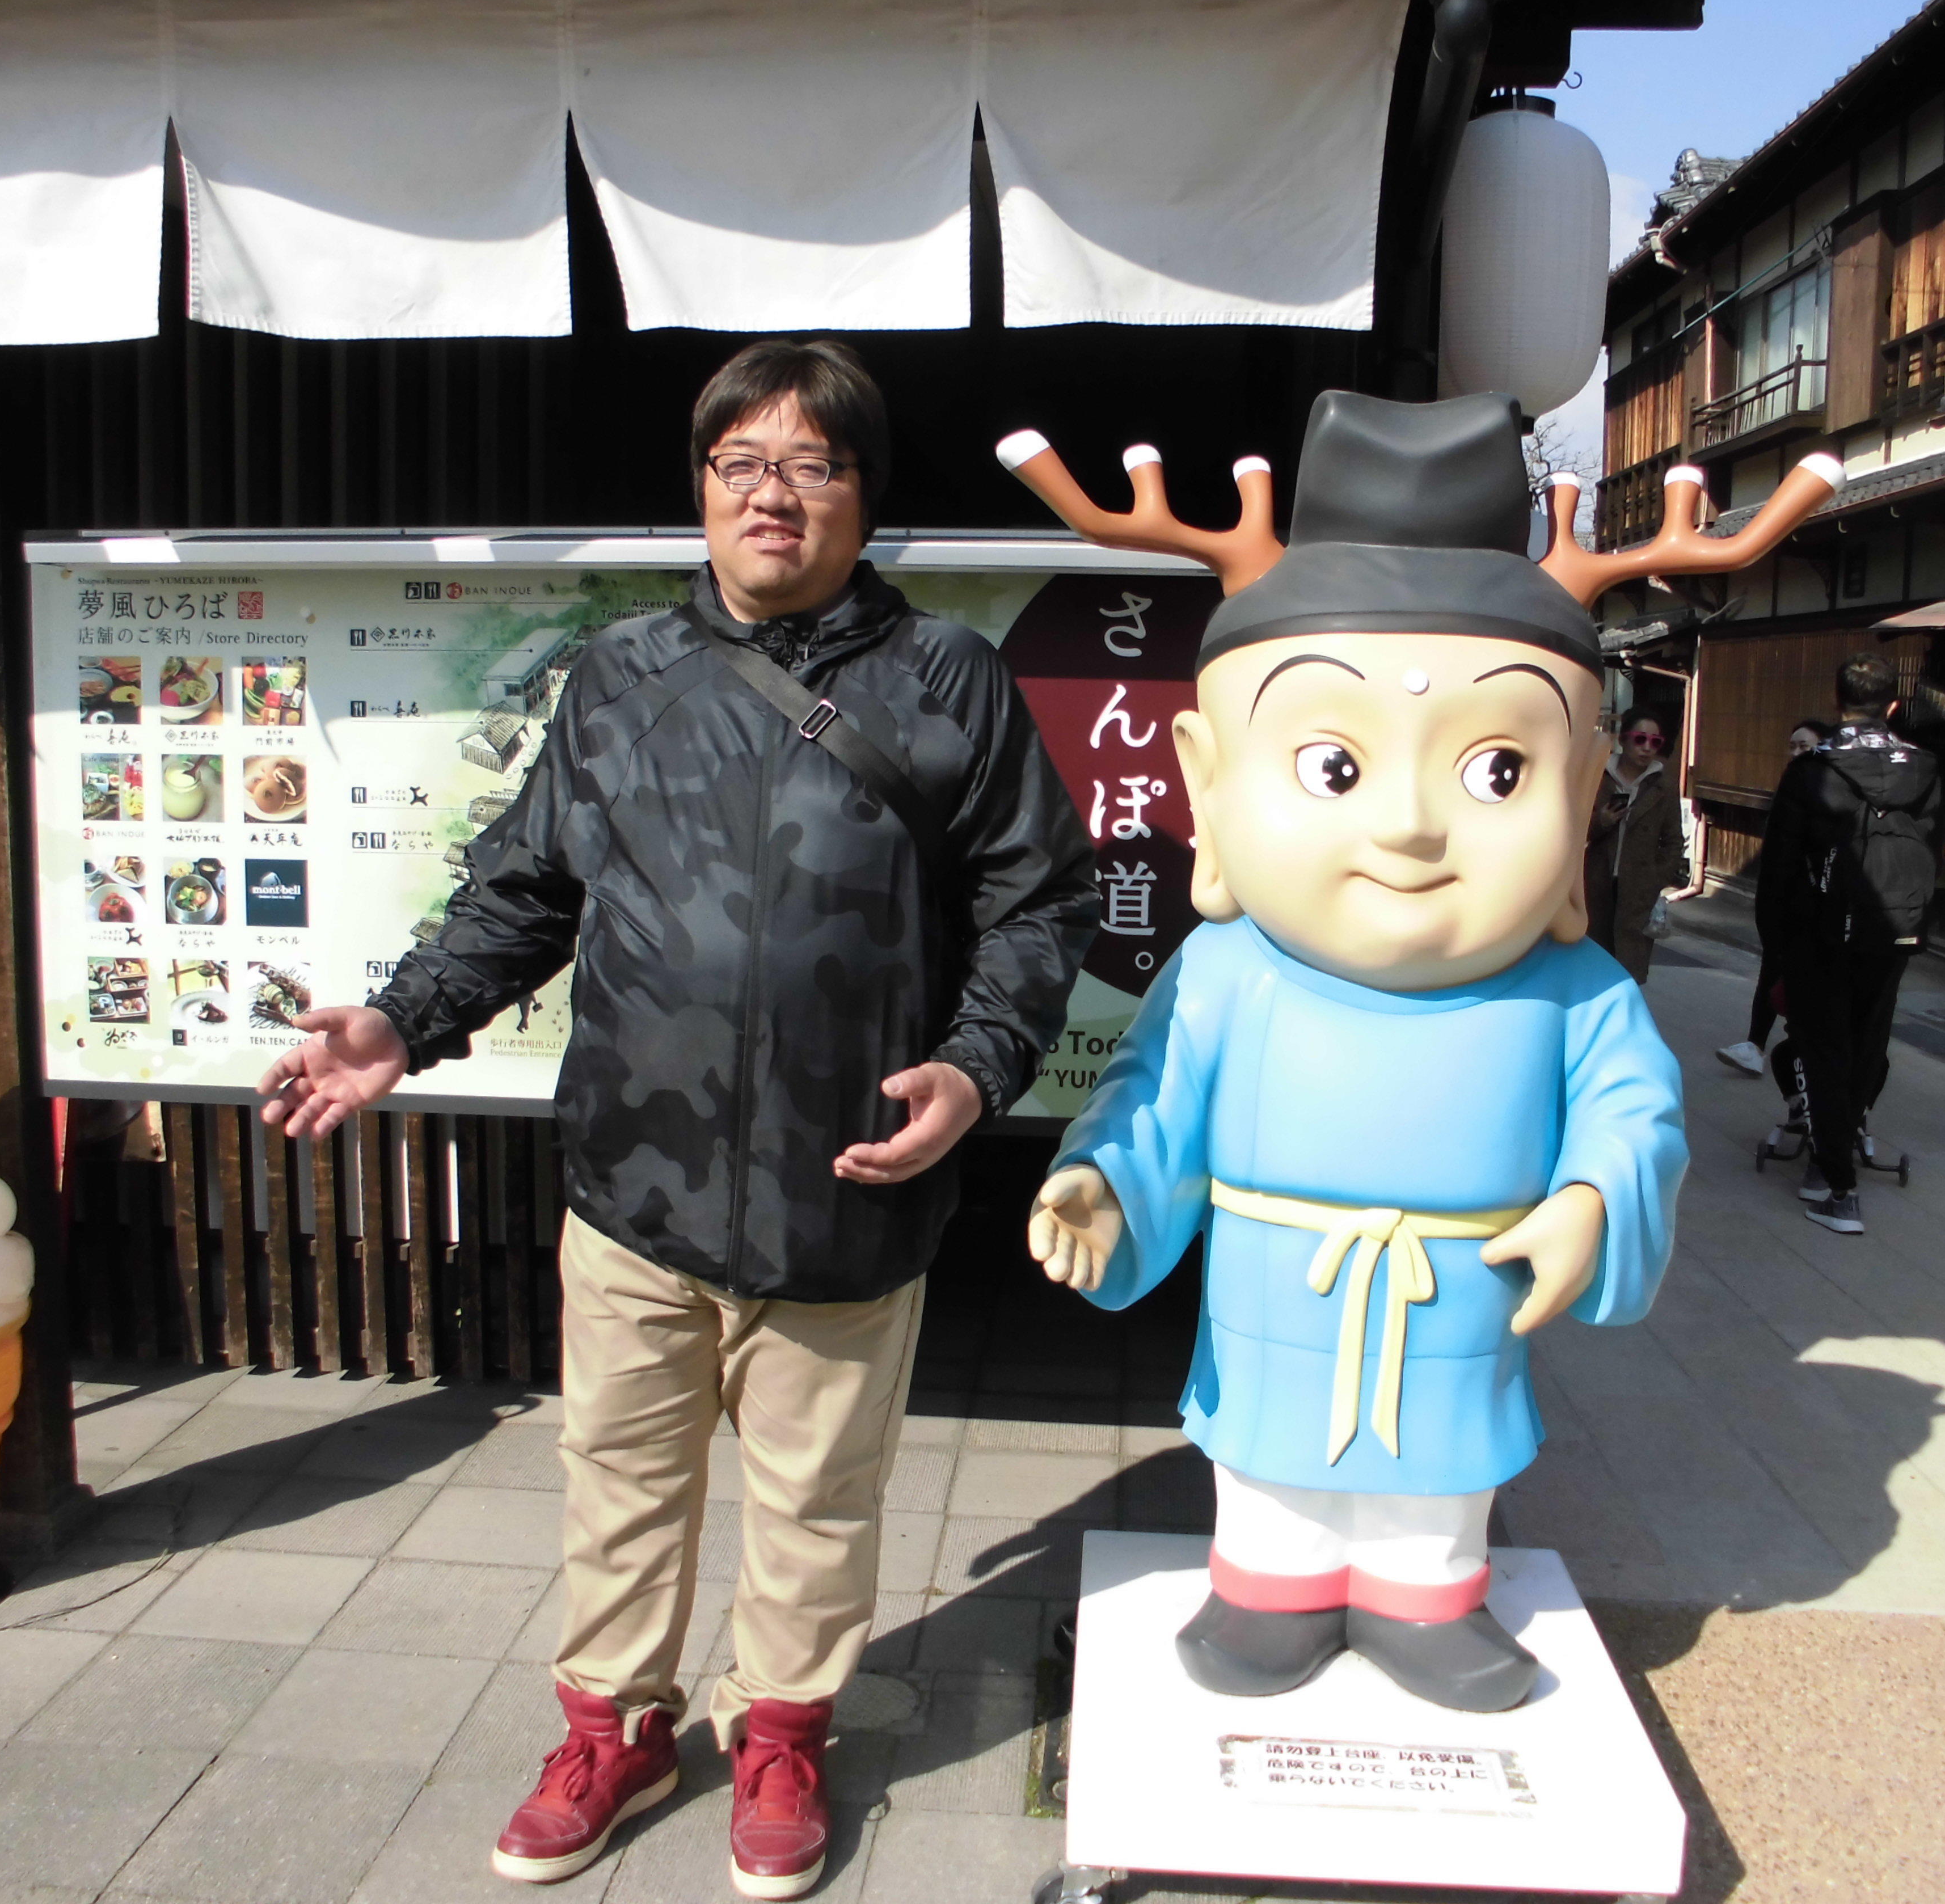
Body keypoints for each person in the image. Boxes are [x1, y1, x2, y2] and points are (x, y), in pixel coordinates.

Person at [254, 339, 1098, 1899]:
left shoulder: (947, 681)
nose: (775, 494)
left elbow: (1037, 903)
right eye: (742, 462)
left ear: (863, 496)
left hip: (846, 1181)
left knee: (818, 1498)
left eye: (813, 464)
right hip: (634, 1179)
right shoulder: (621, 676)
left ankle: (780, 1733)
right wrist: (400, 1021)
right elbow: (523, 890)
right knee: (619, 1480)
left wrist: (978, 1068)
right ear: (702, 489)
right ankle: (615, 1730)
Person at [1014, 390, 1686, 1716]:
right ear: (1208, 783)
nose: (1412, 826)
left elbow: (1636, 1114)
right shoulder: (1227, 971)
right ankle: (1268, 1592)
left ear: (1582, 789)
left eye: (1497, 771)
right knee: (1273, 1475)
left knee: (1437, 1488)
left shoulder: (1577, 993)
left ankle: (1425, 1602)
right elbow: (1154, 1096)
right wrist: (1104, 1179)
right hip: (1278, 1296)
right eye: (1333, 764)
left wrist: (1596, 1198)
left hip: (1463, 1294)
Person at [1757, 656, 1941, 1234]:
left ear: (1838, 703)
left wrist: (1776, 943)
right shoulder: (1923, 767)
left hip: (1819, 930)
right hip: (1892, 929)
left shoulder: (1814, 769)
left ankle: (1837, 1185)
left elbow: (1779, 865)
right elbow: (1929, 842)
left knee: (1823, 1051)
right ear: (1893, 705)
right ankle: (1838, 1152)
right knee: (1867, 1046)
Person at [1717, 717, 1834, 1075]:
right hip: (1785, 899)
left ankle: (1795, 1051)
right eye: (1793, 746)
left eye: (1805, 747)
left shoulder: (1829, 792)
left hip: (1816, 902)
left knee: (1801, 979)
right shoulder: (1791, 785)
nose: (1797, 753)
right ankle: (1756, 1045)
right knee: (1773, 970)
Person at [1583, 710, 1689, 982]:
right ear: (1624, 740)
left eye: (1655, 742)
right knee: (1591, 964)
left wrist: (1655, 880)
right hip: (1595, 885)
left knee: (1628, 968)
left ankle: (1624, 1007)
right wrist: (1602, 822)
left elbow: (1673, 841)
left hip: (1637, 891)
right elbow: (1573, 829)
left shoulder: (1663, 785)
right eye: (1640, 739)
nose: (1647, 748)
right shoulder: (1598, 776)